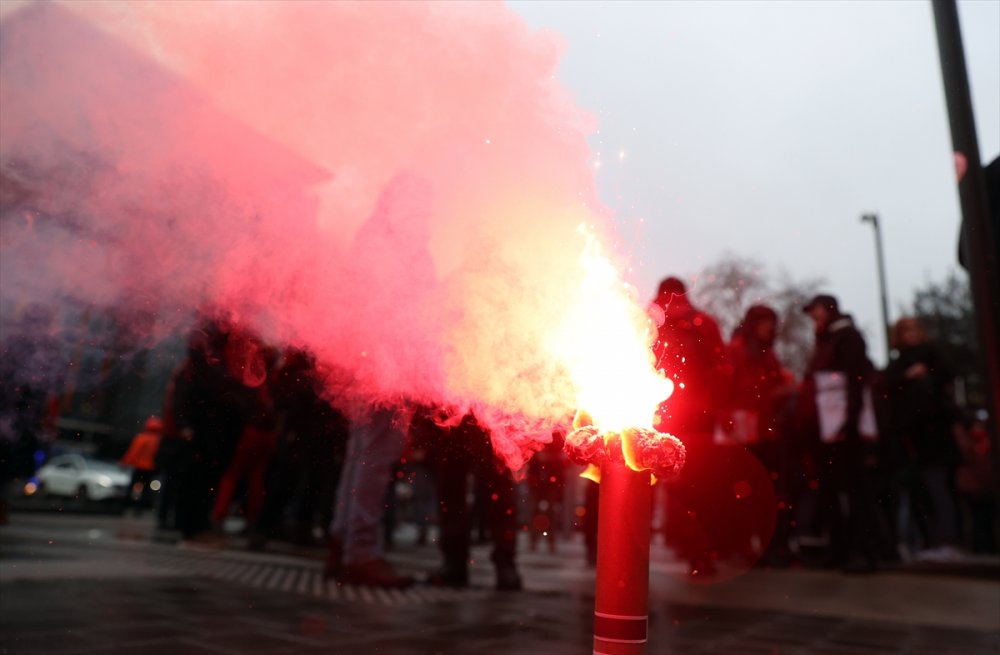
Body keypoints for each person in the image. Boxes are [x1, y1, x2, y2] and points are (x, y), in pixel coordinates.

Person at [649, 276, 729, 576]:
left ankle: (624, 553)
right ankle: (700, 551)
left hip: (657, 417)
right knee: (697, 487)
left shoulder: (648, 321)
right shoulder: (704, 323)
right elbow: (722, 368)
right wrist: (715, 410)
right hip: (698, 421)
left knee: (644, 484)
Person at [801, 294, 887, 573]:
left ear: (827, 310)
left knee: (856, 489)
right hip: (829, 428)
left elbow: (856, 377)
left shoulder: (846, 337)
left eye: (815, 311)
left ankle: (864, 552)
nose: (812, 317)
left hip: (844, 429)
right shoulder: (827, 340)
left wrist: (849, 420)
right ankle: (840, 548)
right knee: (834, 489)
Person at [721, 305, 795, 565]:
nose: (770, 328)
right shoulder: (736, 351)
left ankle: (767, 546)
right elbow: (724, 390)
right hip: (745, 435)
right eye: (765, 322)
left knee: (768, 493)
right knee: (745, 492)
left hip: (767, 432)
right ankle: (744, 546)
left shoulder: (768, 355)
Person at [418, 409, 522, 591]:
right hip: (453, 400)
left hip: (492, 400)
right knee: (451, 481)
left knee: (498, 484)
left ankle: (505, 561)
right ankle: (454, 561)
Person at [885, 317, 960, 557]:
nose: (912, 334)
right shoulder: (898, 366)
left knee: (937, 486)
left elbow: (947, 375)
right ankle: (931, 540)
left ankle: (946, 540)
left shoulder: (932, 356)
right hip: (914, 438)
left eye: (915, 329)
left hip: (934, 435)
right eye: (906, 330)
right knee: (924, 490)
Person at [324, 405, 414, 588]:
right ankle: (361, 552)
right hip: (389, 376)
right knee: (380, 445)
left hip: (365, 377)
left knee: (361, 447)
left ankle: (342, 542)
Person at [120, 416, 163, 514]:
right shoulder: (158, 441)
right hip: (150, 469)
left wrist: (125, 462)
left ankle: (123, 507)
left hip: (139, 467)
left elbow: (133, 451)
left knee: (130, 487)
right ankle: (139, 509)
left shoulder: (142, 438)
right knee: (146, 490)